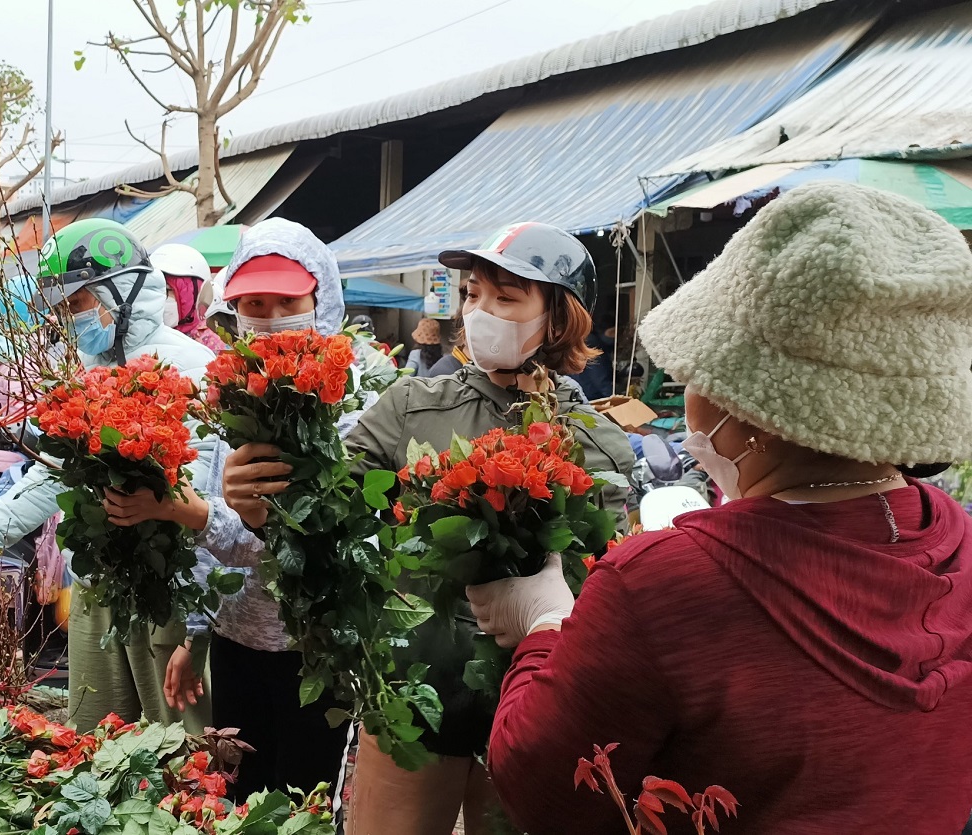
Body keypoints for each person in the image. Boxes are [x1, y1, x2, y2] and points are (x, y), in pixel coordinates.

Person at [473, 184, 972, 835]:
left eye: (695, 374)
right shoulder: (955, 537)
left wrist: (544, 627)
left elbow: (543, 787)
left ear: (750, 410)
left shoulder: (665, 583)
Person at [228, 222, 634, 834]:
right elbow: (329, 519)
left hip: (535, 705)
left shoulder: (595, 441)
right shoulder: (409, 405)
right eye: (474, 294)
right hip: (415, 697)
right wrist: (264, 511)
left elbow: (611, 585)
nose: (481, 311)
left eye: (506, 297)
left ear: (557, 319)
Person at [0, 218, 219, 734]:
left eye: (78, 303)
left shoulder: (194, 369)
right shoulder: (81, 373)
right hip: (97, 585)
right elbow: (56, 471)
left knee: (179, 749)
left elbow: (213, 507)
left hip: (172, 591)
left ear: (123, 293)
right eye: (62, 310)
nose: (71, 320)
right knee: (97, 740)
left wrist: (200, 627)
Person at [142, 218, 367, 804]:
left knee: (307, 805)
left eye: (286, 301)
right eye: (253, 304)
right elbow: (222, 545)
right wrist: (198, 634)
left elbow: (322, 551)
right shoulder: (230, 404)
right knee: (244, 801)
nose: (269, 317)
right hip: (240, 644)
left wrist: (204, 514)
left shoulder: (353, 412)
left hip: (317, 652)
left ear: (320, 301)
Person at [150, 242, 227, 354]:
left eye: (167, 290)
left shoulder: (214, 343)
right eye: (153, 290)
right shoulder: (144, 336)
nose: (159, 298)